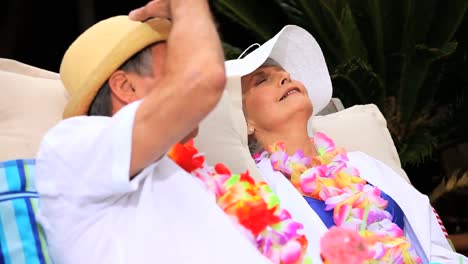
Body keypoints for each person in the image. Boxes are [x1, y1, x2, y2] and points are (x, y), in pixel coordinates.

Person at [35, 1, 272, 263]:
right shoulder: (70, 146)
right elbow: (204, 83)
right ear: (125, 86)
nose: (185, 77)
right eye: (174, 70)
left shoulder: (181, 174)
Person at [225, 25, 468, 263]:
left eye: (284, 73)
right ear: (246, 121)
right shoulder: (256, 196)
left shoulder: (363, 164)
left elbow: (432, 242)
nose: (284, 76)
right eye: (261, 80)